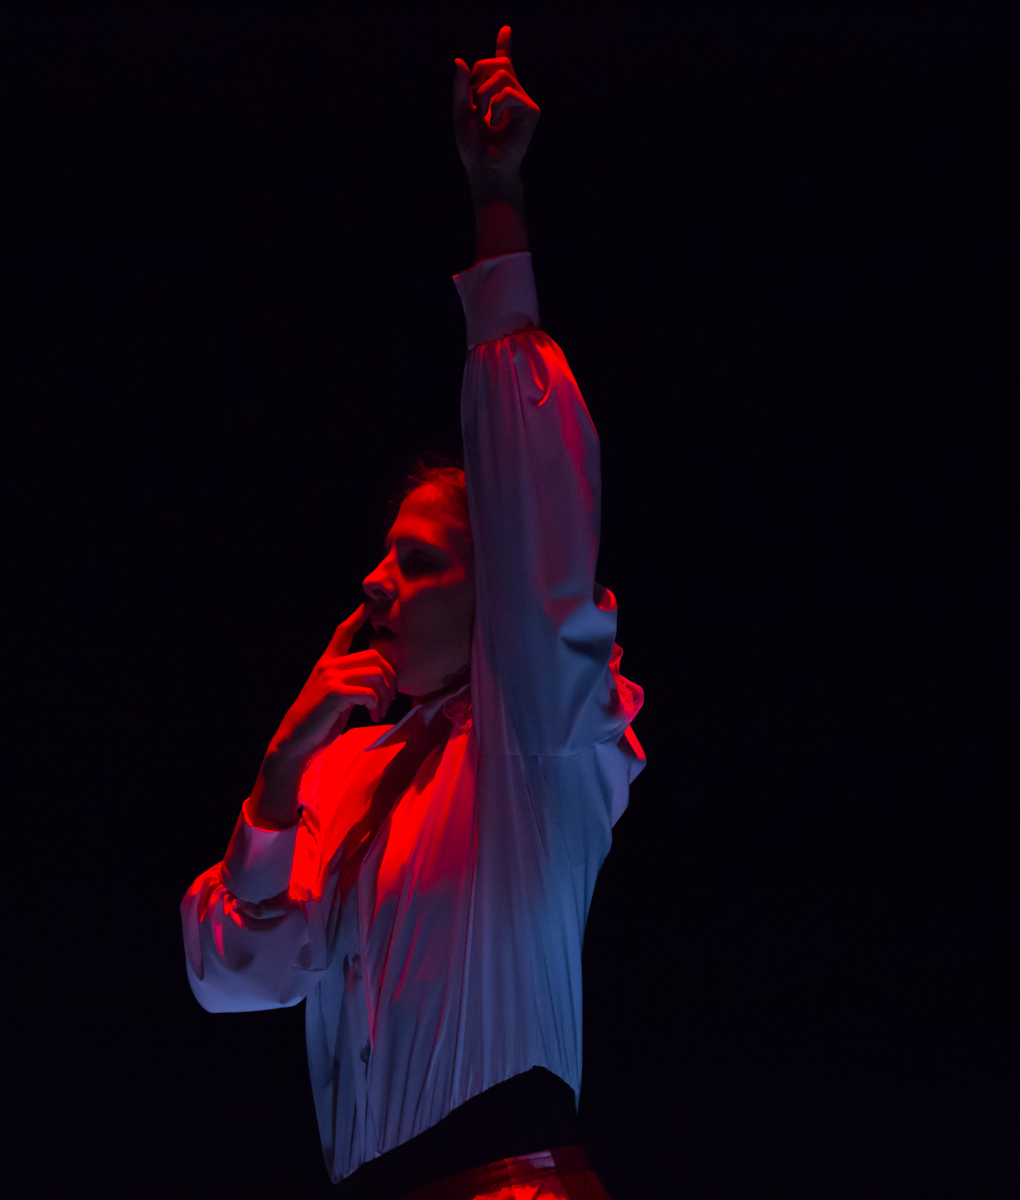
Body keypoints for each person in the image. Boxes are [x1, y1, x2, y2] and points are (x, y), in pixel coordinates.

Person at [180, 28, 645, 1200]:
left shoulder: (535, 745)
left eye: (417, 561)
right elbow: (238, 978)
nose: (377, 584)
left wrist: (497, 201)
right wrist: (284, 770)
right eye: (380, 560)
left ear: (490, 599)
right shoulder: (348, 776)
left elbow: (536, 494)